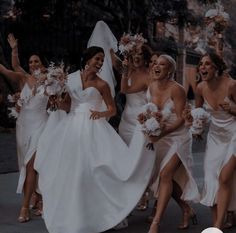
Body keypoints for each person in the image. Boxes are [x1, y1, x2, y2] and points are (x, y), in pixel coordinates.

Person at [34, 46, 156, 233]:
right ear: (88, 59)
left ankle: (97, 214)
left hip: (93, 127)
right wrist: (55, 95)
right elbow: (66, 106)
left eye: (101, 60)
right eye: (97, 59)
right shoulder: (70, 78)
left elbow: (113, 110)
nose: (99, 63)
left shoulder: (102, 84)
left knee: (92, 171)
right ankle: (70, 213)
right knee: (68, 170)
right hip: (71, 128)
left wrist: (101, 113)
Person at [145, 54, 199, 233]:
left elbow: (181, 120)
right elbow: (151, 111)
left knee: (165, 174)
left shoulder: (177, 90)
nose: (156, 66)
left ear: (170, 71)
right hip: (161, 137)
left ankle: (156, 223)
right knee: (167, 178)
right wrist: (149, 122)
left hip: (178, 137)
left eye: (162, 64)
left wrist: (162, 132)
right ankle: (186, 209)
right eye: (156, 64)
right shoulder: (152, 87)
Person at [0, 50, 48, 223]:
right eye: (31, 62)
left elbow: (58, 104)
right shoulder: (23, 79)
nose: (33, 64)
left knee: (31, 165)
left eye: (36, 61)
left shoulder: (51, 81)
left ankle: (24, 206)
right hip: (23, 126)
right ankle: (38, 196)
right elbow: (7, 69)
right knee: (26, 164)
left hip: (41, 125)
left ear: (43, 64)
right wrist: (13, 50)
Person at [193, 51, 236, 229]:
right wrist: (196, 126)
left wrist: (234, 108)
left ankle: (217, 226)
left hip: (234, 134)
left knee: (224, 178)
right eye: (201, 64)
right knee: (211, 178)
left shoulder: (232, 85)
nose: (203, 67)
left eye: (207, 64)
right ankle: (218, 220)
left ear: (216, 68)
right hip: (215, 138)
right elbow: (197, 114)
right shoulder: (200, 88)